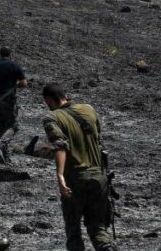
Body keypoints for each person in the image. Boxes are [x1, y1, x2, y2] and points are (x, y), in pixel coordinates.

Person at [41, 83, 118, 251]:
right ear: (64, 95)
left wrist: (60, 176)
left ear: (48, 100)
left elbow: (61, 145)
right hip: (99, 177)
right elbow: (98, 141)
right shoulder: (89, 109)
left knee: (73, 230)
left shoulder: (52, 118)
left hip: (74, 179)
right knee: (98, 228)